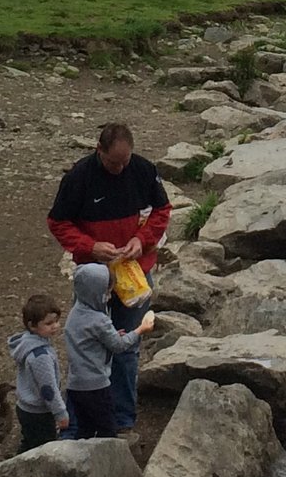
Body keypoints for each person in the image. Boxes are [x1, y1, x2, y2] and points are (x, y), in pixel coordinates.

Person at [47, 123, 171, 431]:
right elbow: (58, 222)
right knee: (87, 345)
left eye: (124, 161)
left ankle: (122, 419)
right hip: (94, 277)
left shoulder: (142, 169)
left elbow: (162, 210)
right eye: (113, 162)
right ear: (98, 150)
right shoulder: (79, 177)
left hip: (134, 273)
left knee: (126, 348)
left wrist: (141, 240)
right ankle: (81, 420)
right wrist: (90, 246)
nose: (119, 168)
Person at [62, 262, 154, 437]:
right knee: (108, 429)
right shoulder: (99, 320)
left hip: (75, 384)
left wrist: (111, 335)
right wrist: (140, 330)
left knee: (85, 428)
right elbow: (119, 347)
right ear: (96, 292)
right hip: (97, 385)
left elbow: (91, 338)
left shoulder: (75, 314)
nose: (110, 296)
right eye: (107, 292)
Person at [10, 293, 68, 449]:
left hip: (26, 407)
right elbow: (47, 389)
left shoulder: (28, 343)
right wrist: (60, 413)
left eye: (56, 321)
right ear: (32, 325)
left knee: (30, 441)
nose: (55, 326)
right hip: (38, 412)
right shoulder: (40, 355)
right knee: (42, 447)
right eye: (49, 323)